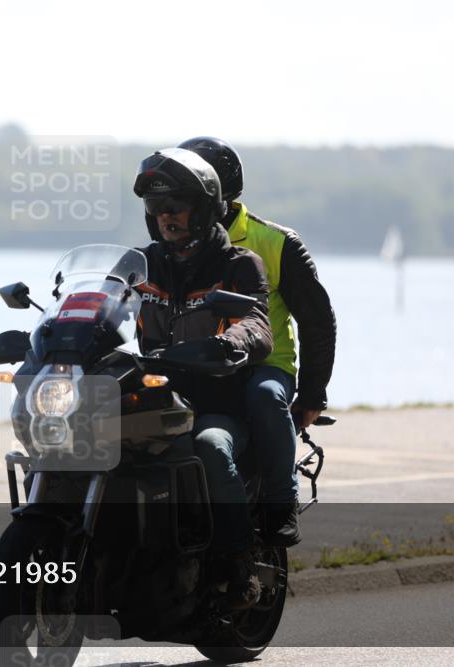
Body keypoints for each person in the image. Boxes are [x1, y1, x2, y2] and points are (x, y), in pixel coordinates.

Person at [177, 137, 337, 546]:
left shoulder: (274, 242)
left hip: (265, 363)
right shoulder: (173, 244)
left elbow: (318, 321)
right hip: (197, 363)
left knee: (265, 395)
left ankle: (280, 501)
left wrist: (313, 393)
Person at [133, 147, 274, 609]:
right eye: (156, 208)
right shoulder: (139, 264)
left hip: (215, 403)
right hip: (152, 402)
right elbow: (95, 305)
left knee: (211, 448)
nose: (165, 216)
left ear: (206, 205)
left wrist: (235, 340)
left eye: (175, 205)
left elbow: (257, 322)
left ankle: (239, 564)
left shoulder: (238, 264)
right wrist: (58, 330)